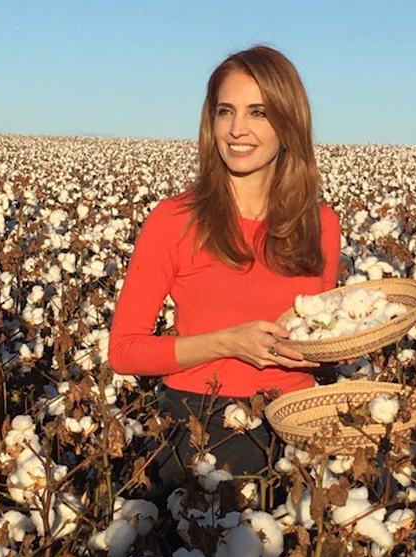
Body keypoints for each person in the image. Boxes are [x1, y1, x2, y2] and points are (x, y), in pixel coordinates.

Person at [108, 45, 341, 490]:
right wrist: (227, 343)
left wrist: (335, 346)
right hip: (200, 430)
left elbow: (319, 336)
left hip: (299, 429)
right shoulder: (174, 220)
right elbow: (125, 351)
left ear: (288, 124)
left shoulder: (321, 224)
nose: (237, 130)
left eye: (258, 112)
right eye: (225, 111)